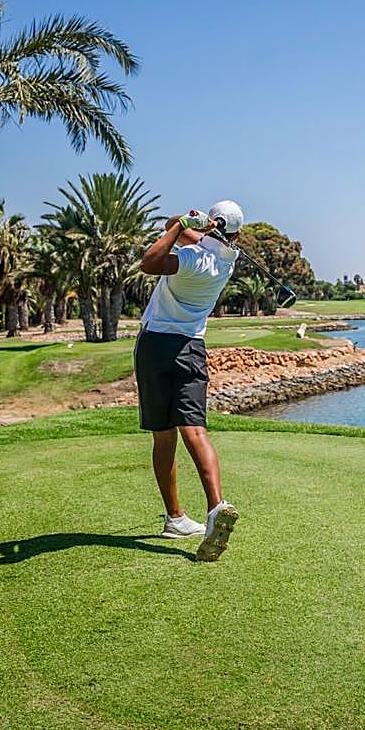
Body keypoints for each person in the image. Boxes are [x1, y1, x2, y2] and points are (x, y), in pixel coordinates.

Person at [136, 200, 245, 561]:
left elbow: (150, 262)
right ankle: (216, 506)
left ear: (213, 227)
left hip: (154, 346)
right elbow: (185, 231)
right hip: (191, 348)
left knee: (163, 435)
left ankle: (175, 517)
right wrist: (189, 223)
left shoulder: (192, 259)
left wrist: (182, 222)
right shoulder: (228, 259)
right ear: (237, 233)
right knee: (195, 431)